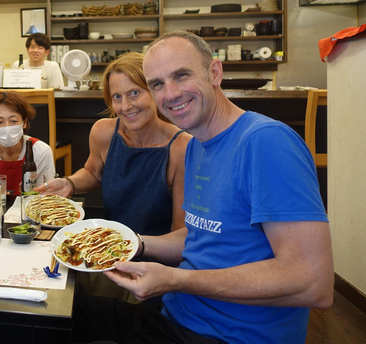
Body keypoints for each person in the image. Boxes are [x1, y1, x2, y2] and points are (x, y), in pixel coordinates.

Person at [74, 31, 333, 344]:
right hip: (174, 315)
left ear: (215, 73)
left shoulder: (266, 142)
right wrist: (133, 243)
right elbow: (201, 234)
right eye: (157, 84)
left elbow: (312, 283)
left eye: (181, 75)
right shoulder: (197, 145)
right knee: (54, 316)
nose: (169, 94)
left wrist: (175, 279)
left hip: (226, 335)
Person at [38, 52, 189, 236]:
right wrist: (69, 183)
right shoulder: (103, 132)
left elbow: (180, 234)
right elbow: (94, 172)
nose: (125, 106)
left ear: (156, 90)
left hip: (155, 257)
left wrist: (137, 249)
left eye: (134, 93)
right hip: (107, 246)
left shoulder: (181, 147)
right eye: (117, 97)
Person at [0, 91, 56, 194]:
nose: (7, 127)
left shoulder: (41, 151)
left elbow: (45, 195)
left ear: (24, 122)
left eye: (13, 121)